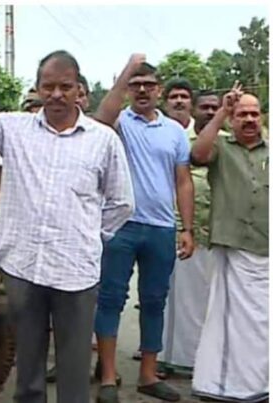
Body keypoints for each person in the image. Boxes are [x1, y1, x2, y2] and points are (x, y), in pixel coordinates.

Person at [0, 42, 134, 403]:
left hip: (75, 271)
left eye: (65, 86)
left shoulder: (103, 141)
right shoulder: (14, 130)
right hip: (23, 265)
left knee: (74, 370)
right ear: (37, 89)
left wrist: (88, 237)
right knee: (27, 367)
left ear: (80, 90)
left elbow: (121, 202)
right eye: (48, 87)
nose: (57, 94)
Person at [93, 55, 195, 403]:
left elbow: (183, 181)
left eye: (148, 85)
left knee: (154, 301)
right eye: (135, 85)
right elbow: (101, 116)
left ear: (159, 90)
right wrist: (125, 72)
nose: (141, 91)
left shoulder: (174, 132)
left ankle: (149, 375)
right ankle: (108, 377)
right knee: (110, 299)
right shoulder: (118, 123)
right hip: (120, 226)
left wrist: (187, 228)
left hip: (161, 228)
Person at [190, 86, 268, 403]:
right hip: (233, 248)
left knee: (264, 323)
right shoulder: (221, 147)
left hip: (267, 248)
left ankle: (260, 383)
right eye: (242, 114)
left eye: (254, 113)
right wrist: (221, 111)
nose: (249, 119)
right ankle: (225, 386)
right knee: (230, 324)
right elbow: (197, 155)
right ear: (232, 120)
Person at [158, 89, 230, 377]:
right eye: (206, 107)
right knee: (178, 301)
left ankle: (211, 361)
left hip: (220, 233)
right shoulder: (180, 143)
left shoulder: (228, 143)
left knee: (214, 302)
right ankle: (174, 359)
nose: (211, 112)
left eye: (216, 107)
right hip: (183, 231)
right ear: (195, 111)